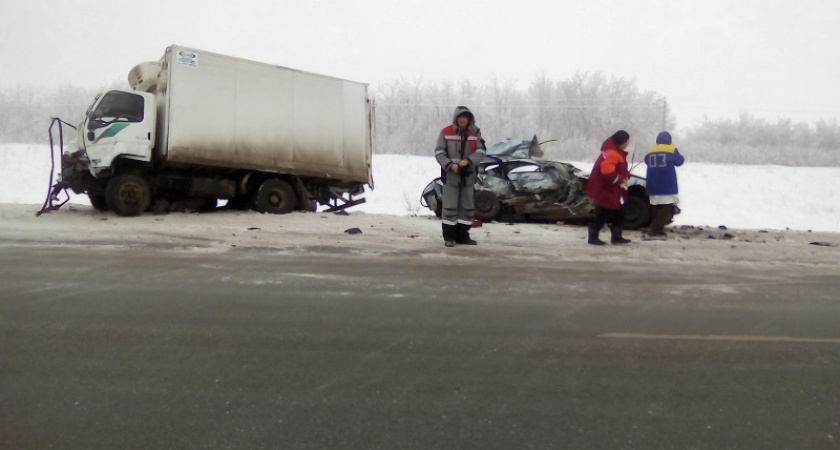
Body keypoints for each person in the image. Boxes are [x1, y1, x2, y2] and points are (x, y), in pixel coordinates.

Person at [434, 106, 486, 247]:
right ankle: (449, 237)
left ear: (469, 118)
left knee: (467, 208)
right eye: (460, 117)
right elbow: (439, 152)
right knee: (450, 207)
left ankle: (463, 236)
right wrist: (450, 165)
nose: (462, 119)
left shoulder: (475, 133)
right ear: (456, 118)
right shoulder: (446, 132)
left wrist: (468, 162)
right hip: (450, 176)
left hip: (468, 176)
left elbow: (481, 151)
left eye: (465, 117)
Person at [585, 130, 632, 246]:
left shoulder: (616, 151)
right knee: (605, 212)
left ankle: (617, 236)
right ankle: (593, 236)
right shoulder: (612, 153)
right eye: (626, 141)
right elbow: (607, 173)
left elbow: (617, 168)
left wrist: (625, 174)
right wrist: (621, 179)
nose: (628, 143)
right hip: (606, 188)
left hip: (613, 188)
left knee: (620, 210)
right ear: (620, 142)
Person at [644, 131, 685, 240]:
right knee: (666, 206)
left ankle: (658, 229)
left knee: (655, 206)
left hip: (652, 181)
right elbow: (680, 161)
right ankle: (654, 228)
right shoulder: (671, 149)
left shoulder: (650, 150)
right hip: (666, 182)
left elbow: (646, 161)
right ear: (669, 140)